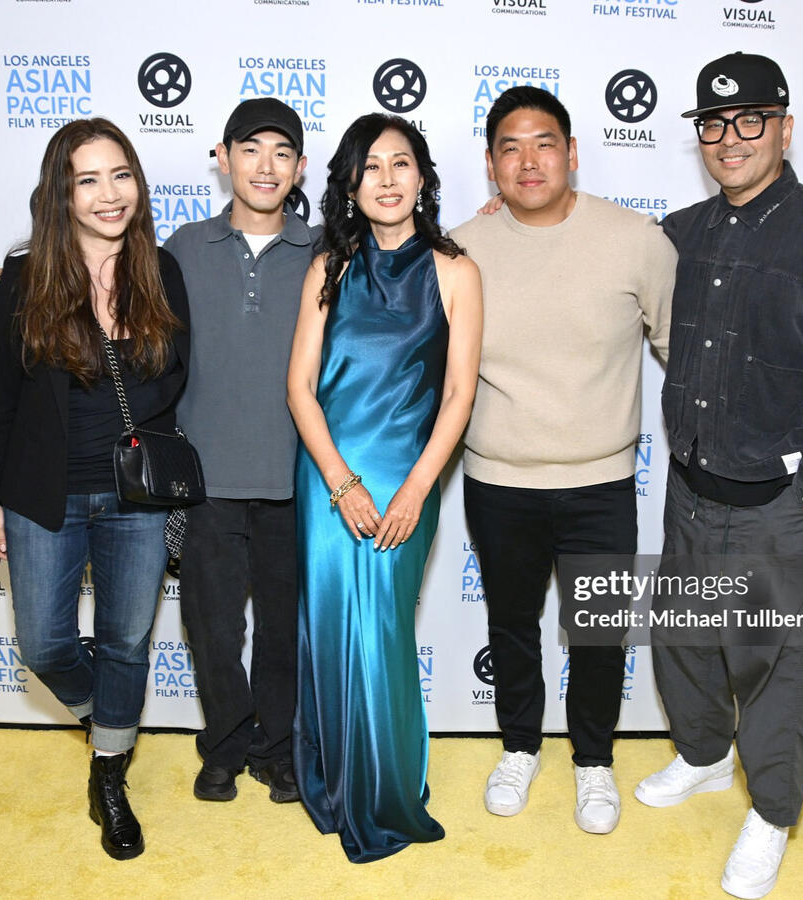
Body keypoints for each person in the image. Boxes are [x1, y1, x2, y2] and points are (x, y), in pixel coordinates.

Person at [634, 53, 803, 899]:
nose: (728, 139)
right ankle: (704, 758)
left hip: (778, 504)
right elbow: (593, 255)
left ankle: (773, 811)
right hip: (690, 490)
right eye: (712, 123)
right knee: (684, 642)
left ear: (783, 125)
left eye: (748, 121)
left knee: (773, 664)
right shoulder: (683, 233)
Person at [451, 86, 676, 832]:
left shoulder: (636, 239)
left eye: (543, 142)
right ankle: (519, 747)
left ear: (572, 152)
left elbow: (680, 348)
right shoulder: (462, 247)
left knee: (599, 633)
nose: (528, 160)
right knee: (511, 624)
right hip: (498, 482)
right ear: (490, 166)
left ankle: (593, 762)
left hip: (602, 483)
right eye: (509, 147)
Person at [0, 118, 190, 860]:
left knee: (128, 638)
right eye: (88, 180)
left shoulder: (159, 271)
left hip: (135, 495)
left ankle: (109, 774)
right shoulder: (23, 279)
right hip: (43, 494)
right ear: (61, 194)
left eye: (121, 174)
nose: (110, 194)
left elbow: (175, 378)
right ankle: (114, 717)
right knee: (43, 643)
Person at [287, 113, 482, 862]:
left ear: (424, 178)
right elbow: (300, 389)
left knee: (386, 632)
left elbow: (460, 393)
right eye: (371, 168)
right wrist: (341, 485)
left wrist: (414, 491)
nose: (389, 179)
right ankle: (337, 784)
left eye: (402, 164)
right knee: (332, 626)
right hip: (330, 476)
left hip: (410, 475)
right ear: (350, 185)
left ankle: (387, 791)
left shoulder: (456, 271)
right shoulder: (328, 268)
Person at [161, 98, 320, 804]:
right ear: (222, 158)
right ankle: (223, 743)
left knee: (284, 630)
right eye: (250, 149)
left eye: (282, 151)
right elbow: (110, 300)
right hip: (205, 479)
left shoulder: (325, 252)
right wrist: (19, 284)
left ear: (301, 168)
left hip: (297, 479)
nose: (266, 165)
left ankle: (276, 748)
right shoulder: (183, 248)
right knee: (213, 630)